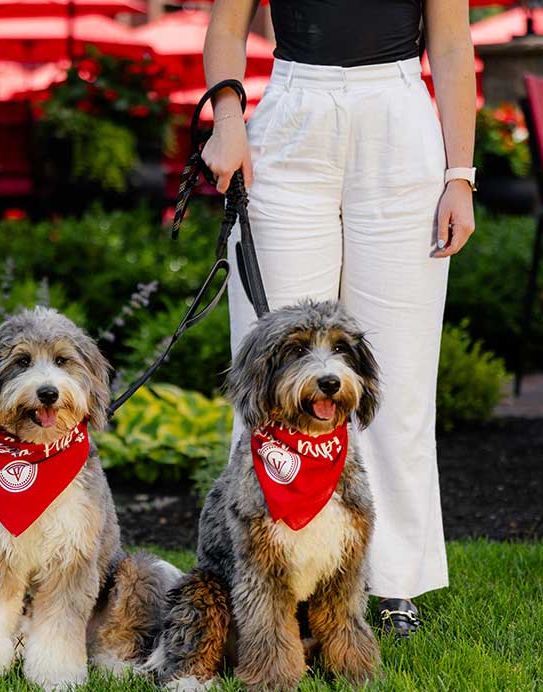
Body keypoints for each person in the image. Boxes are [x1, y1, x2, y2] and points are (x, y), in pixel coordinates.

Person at [203, 0, 477, 638]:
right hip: (291, 116)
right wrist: (226, 118)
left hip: (402, 122)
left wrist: (460, 175)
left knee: (399, 378)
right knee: (273, 370)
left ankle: (394, 582)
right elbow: (225, 26)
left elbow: (453, 44)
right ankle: (266, 574)